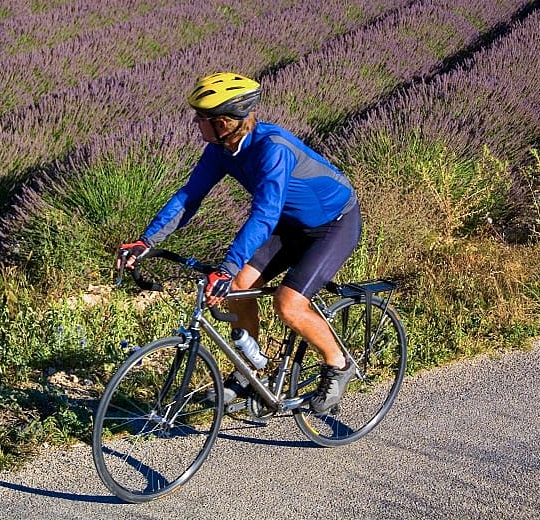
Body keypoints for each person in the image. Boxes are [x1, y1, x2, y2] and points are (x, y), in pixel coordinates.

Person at [117, 72, 361, 413]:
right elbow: (189, 197)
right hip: (288, 225)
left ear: (225, 122)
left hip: (333, 225)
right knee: (237, 287)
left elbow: (264, 214)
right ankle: (250, 370)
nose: (195, 122)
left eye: (202, 118)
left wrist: (226, 266)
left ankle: (338, 364)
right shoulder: (219, 150)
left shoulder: (272, 149)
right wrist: (146, 240)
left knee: (288, 304)